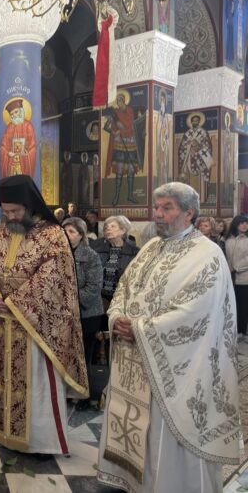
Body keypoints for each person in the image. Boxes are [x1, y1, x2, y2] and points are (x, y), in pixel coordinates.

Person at [96, 182, 241, 493]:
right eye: (156, 207)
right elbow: (124, 287)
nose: (158, 214)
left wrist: (140, 328)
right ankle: (134, 482)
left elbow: (195, 311)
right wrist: (116, 316)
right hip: (135, 358)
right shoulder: (150, 247)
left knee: (166, 430)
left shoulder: (207, 255)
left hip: (176, 366)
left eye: (167, 208)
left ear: (189, 213)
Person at [0, 175, 88, 454]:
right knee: (5, 380)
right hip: (4, 322)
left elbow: (53, 277)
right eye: (6, 211)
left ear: (29, 206)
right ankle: (6, 432)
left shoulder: (52, 235)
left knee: (35, 384)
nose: (10, 216)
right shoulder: (1, 232)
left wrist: (15, 301)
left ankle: (40, 443)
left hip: (35, 326)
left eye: (15, 211)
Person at [62, 217, 103, 408]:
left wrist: (71, 300)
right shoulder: (58, 254)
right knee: (66, 354)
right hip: (63, 312)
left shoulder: (90, 255)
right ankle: (68, 391)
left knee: (83, 355)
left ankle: (84, 396)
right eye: (64, 231)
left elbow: (93, 287)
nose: (67, 235)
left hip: (87, 313)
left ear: (81, 234)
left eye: (71, 231)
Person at [92, 215, 139, 314]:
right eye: (106, 227)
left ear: (123, 231)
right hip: (100, 300)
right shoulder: (97, 249)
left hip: (122, 301)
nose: (108, 228)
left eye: (113, 226)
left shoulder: (135, 252)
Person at [104, 92, 143, 205]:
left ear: (124, 101)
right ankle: (117, 195)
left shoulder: (131, 111)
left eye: (120, 100)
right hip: (119, 144)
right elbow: (105, 127)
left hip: (131, 143)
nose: (119, 103)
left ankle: (130, 195)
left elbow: (138, 123)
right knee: (119, 170)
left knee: (131, 170)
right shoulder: (114, 114)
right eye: (117, 101)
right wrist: (114, 132)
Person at [178, 113, 213, 202]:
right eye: (193, 121)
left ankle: (200, 199)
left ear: (199, 122)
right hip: (189, 160)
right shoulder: (187, 133)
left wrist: (198, 145)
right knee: (187, 180)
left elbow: (207, 146)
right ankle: (188, 201)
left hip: (200, 161)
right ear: (191, 122)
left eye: (197, 121)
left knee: (199, 181)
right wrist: (188, 146)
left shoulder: (203, 132)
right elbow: (182, 147)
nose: (195, 122)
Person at [0, 99, 37, 177]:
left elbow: (33, 147)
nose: (14, 115)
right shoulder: (9, 127)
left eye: (16, 112)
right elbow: (3, 146)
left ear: (21, 111)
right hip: (12, 164)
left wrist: (26, 153)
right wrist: (8, 153)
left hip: (23, 164)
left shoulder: (28, 126)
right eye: (12, 114)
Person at [226, 214, 248, 338]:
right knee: (235, 305)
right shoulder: (229, 239)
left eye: (246, 223)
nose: (244, 225)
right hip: (232, 278)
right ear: (236, 224)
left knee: (244, 305)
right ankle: (236, 330)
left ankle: (242, 331)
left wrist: (236, 267)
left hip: (245, 278)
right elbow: (227, 257)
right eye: (241, 223)